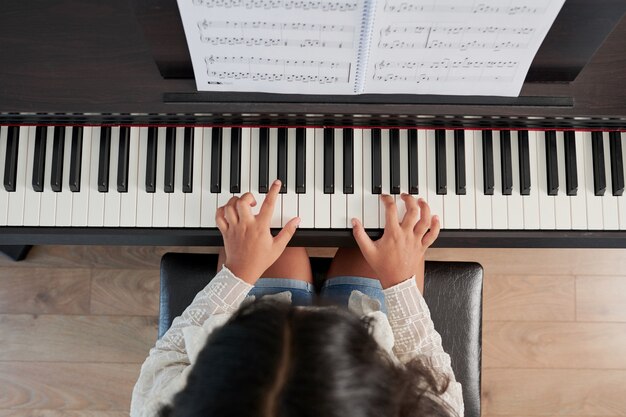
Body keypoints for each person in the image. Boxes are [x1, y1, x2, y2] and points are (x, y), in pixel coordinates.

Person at [131, 179, 464, 417]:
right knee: (383, 224)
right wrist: (399, 280)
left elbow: (169, 355)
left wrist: (238, 273)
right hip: (377, 343)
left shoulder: (162, 407)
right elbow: (426, 364)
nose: (307, 313)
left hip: (254, 336)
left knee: (270, 221)